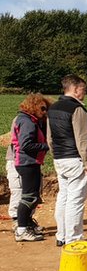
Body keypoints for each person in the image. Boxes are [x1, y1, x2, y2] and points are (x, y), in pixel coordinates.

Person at [47, 74, 87, 247]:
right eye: (83, 89)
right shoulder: (78, 109)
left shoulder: (52, 108)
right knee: (75, 201)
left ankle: (61, 235)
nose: (85, 92)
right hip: (75, 160)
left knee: (63, 197)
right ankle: (74, 239)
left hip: (60, 159)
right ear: (75, 89)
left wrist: (56, 155)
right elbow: (83, 139)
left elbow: (49, 138)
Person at [10, 94, 51, 242]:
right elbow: (26, 145)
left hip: (29, 162)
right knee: (28, 197)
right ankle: (21, 230)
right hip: (27, 163)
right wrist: (47, 146)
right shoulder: (27, 122)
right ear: (34, 107)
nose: (45, 112)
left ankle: (26, 225)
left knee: (32, 196)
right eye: (43, 108)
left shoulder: (28, 120)